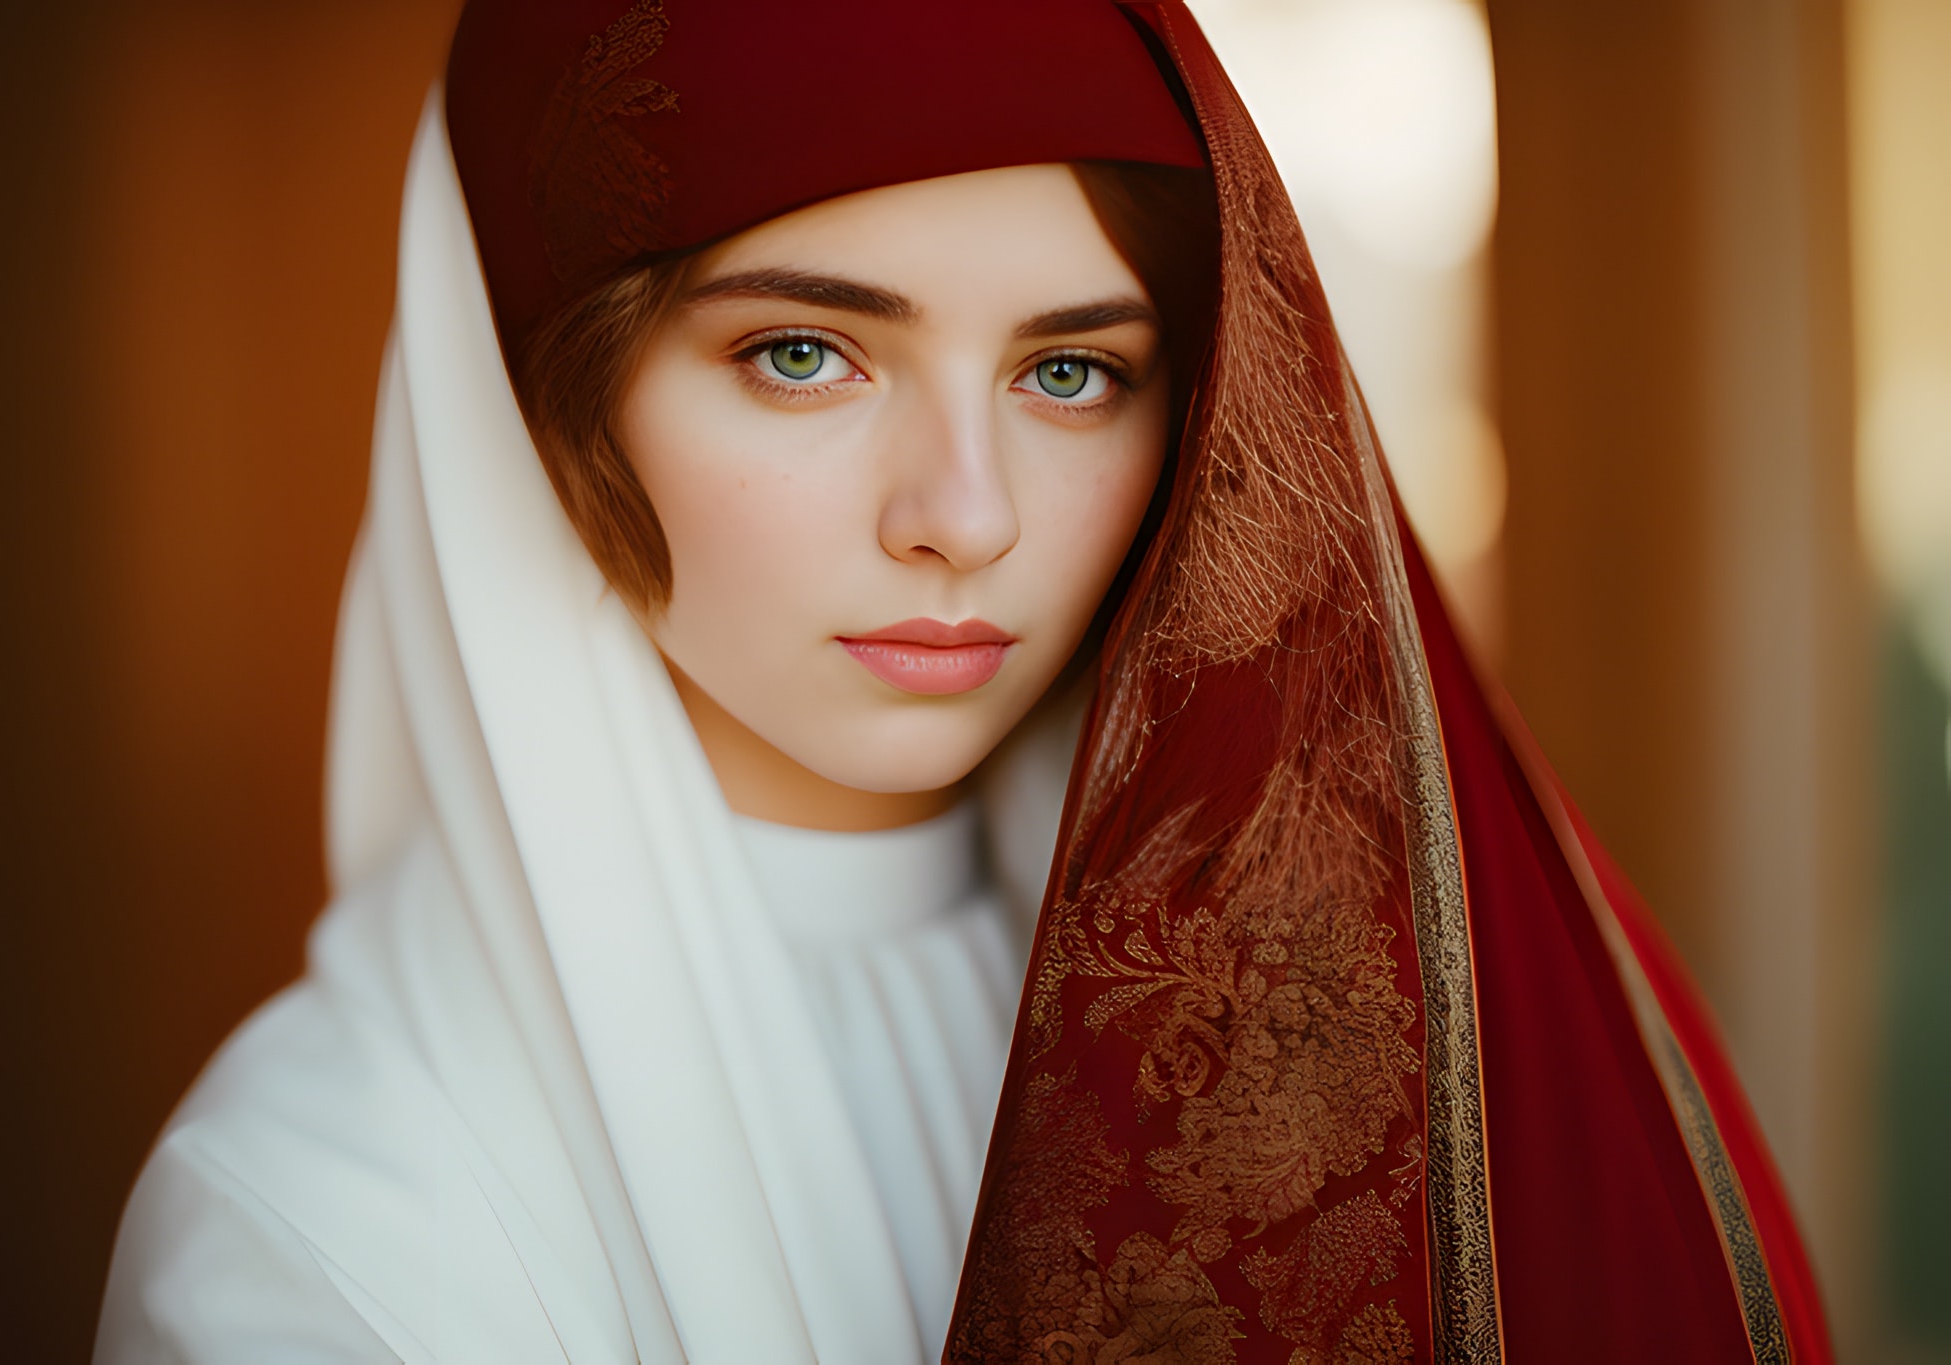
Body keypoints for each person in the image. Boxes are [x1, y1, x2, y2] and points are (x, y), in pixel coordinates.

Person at [97, 2, 1832, 1361]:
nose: (967, 515)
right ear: (540, 391)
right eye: (803, 353)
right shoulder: (328, 1216)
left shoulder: (1306, 1051)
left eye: (1071, 371)